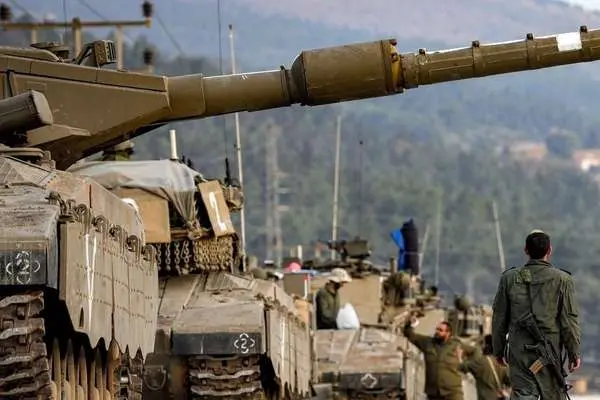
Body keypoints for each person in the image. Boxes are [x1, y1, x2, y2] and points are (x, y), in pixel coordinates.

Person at [491, 230, 581, 400]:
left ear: (526, 250)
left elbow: (499, 319)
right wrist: (573, 352)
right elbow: (569, 321)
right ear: (549, 250)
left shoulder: (509, 278)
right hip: (550, 350)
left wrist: (498, 349)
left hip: (520, 351)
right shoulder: (562, 280)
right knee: (553, 395)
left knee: (523, 395)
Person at [403, 318, 464, 400]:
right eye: (437, 329)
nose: (437, 332)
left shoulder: (456, 345)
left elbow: (473, 352)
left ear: (448, 333)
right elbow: (410, 335)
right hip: (434, 392)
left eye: (440, 330)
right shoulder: (427, 343)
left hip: (452, 392)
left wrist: (464, 364)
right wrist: (410, 324)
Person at [457, 334, 510, 400]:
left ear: (486, 346)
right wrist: (504, 390)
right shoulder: (502, 363)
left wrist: (459, 357)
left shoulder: (480, 362)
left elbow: (461, 367)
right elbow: (510, 382)